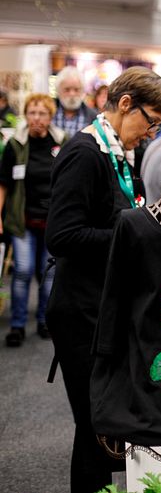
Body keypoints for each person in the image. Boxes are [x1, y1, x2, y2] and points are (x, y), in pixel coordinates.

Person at [45, 66, 161, 493]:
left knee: (104, 426)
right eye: (151, 121)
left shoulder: (117, 153)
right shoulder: (85, 154)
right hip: (81, 314)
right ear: (125, 105)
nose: (152, 133)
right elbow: (61, 236)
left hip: (102, 309)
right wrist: (132, 235)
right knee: (94, 426)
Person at [0, 94, 67, 347]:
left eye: (42, 113)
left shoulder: (62, 142)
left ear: (50, 116)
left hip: (53, 222)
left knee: (47, 273)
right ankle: (17, 325)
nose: (36, 118)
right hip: (23, 221)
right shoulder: (16, 144)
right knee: (23, 271)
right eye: (32, 113)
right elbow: (3, 184)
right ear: (26, 115)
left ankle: (44, 321)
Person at [52, 66, 97, 137]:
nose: (72, 94)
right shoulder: (49, 113)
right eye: (67, 89)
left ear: (82, 91)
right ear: (58, 91)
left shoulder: (93, 117)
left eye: (76, 90)